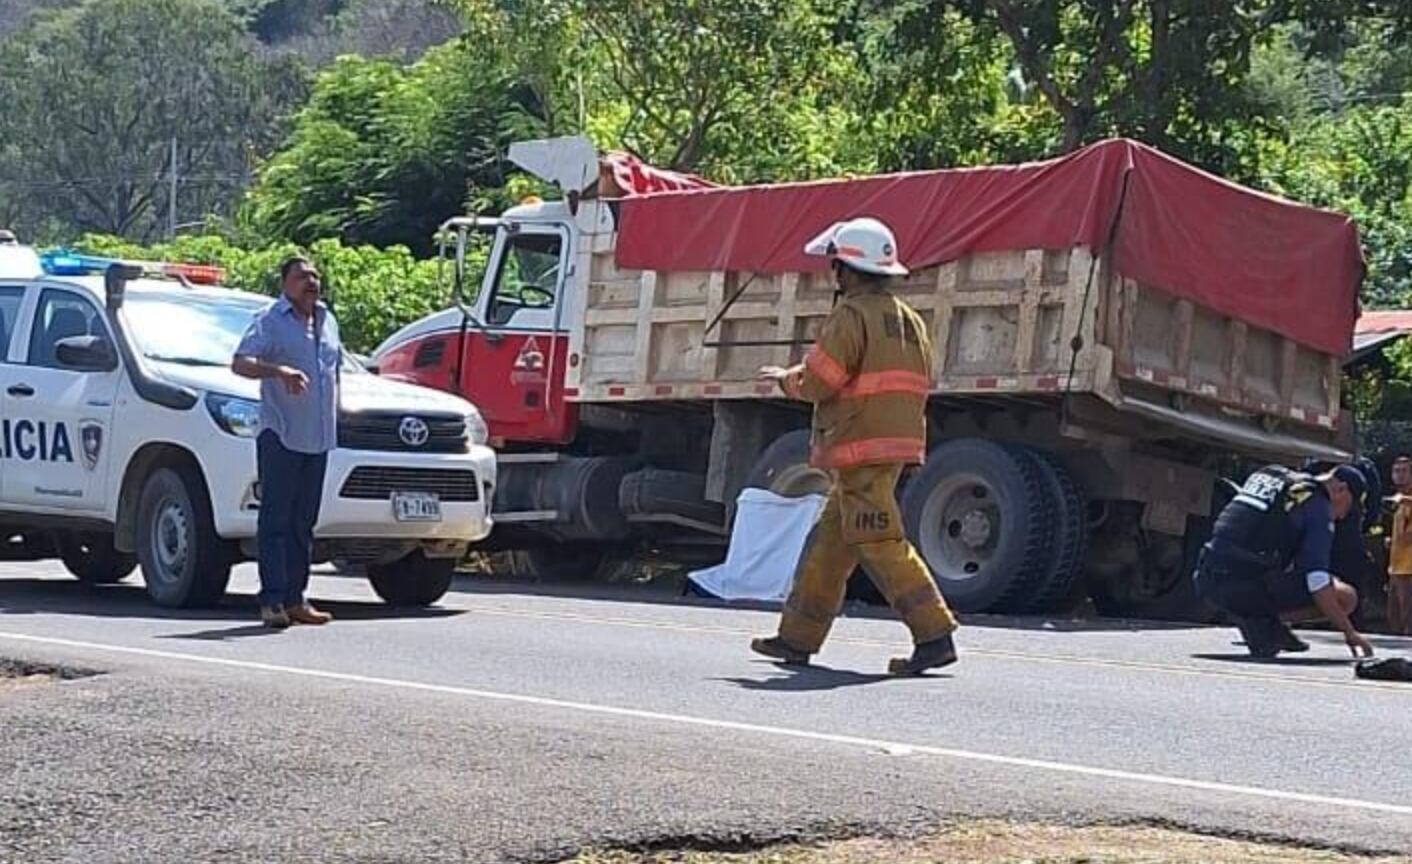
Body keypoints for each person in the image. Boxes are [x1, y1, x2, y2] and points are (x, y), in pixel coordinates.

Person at [751, 217, 959, 675]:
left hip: (861, 448)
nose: (833, 275)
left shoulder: (850, 315)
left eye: (835, 266)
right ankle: (796, 638)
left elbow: (822, 381)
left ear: (845, 269)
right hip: (891, 446)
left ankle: (934, 633)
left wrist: (787, 380)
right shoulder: (909, 319)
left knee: (881, 541)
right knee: (829, 544)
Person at [232, 256, 340, 629]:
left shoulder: (327, 320)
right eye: (300, 276)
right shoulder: (269, 321)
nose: (310, 281)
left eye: (314, 275)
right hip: (281, 434)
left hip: (319, 437)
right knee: (275, 520)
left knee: (303, 523)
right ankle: (272, 600)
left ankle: (296, 599)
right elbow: (240, 362)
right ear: (284, 283)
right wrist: (277, 371)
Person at [1194, 463, 1375, 659]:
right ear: (1341, 489)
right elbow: (1317, 580)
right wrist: (1349, 632)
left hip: (1205, 578)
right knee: (1345, 597)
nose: (1344, 515)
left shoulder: (1272, 473)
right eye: (1349, 506)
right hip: (1242, 586)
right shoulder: (1317, 505)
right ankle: (1262, 623)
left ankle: (1267, 625)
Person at [1386, 455, 1412, 635]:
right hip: (1395, 568)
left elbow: (1407, 537)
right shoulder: (1399, 502)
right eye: (1396, 471)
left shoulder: (1406, 501)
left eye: (1404, 471)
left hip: (1409, 569)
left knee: (1407, 620)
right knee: (1393, 619)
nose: (1399, 475)